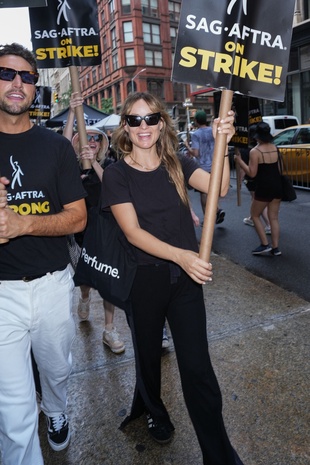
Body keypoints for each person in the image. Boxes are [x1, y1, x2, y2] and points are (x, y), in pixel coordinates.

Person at [101, 92, 245, 465]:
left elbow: (221, 189)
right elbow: (133, 232)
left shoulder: (177, 163)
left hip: (184, 283)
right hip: (143, 281)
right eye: (135, 120)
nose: (144, 127)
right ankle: (154, 412)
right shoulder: (116, 174)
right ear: (126, 128)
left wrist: (223, 143)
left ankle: (219, 455)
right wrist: (183, 254)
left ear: (162, 123)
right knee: (148, 358)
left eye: (151, 119)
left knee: (197, 368)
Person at [0, 43, 87, 465]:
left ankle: (56, 411)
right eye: (6, 74)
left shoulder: (57, 148)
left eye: (27, 77)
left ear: (35, 89)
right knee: (13, 412)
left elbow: (78, 218)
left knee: (57, 371)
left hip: (52, 286)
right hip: (1, 297)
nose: (17, 83)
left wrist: (23, 223)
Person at [63, 93, 126, 354]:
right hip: (80, 235)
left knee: (108, 282)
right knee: (88, 280)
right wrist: (70, 114)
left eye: (95, 138)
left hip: (106, 233)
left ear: (102, 143)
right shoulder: (67, 165)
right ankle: (85, 296)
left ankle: (109, 329)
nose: (90, 142)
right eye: (85, 137)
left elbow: (112, 188)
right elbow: (62, 145)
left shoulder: (110, 166)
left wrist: (95, 165)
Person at [234, 121, 282, 256]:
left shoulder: (255, 151)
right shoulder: (275, 147)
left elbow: (252, 173)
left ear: (256, 136)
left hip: (264, 187)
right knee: (274, 218)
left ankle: (264, 244)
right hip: (277, 186)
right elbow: (278, 169)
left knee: (254, 215)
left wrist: (240, 161)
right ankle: (276, 248)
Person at [185, 110, 225, 225]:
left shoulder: (196, 134)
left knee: (203, 193)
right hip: (215, 165)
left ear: (196, 121)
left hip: (202, 167)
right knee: (212, 190)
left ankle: (208, 219)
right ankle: (217, 210)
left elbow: (196, 153)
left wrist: (188, 146)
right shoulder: (213, 131)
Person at [239, 124, 271, 234]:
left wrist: (239, 181)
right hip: (264, 178)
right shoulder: (263, 148)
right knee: (257, 199)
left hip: (252, 179)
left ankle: (268, 224)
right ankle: (252, 218)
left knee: (257, 200)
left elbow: (244, 168)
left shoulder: (249, 150)